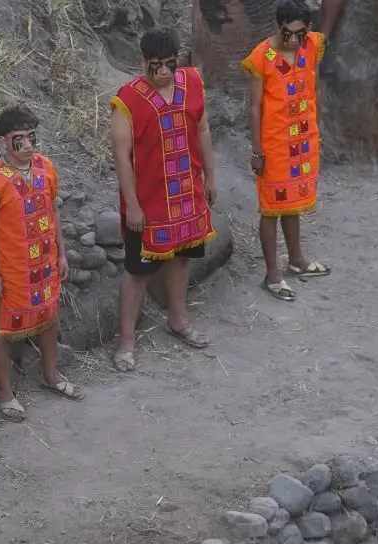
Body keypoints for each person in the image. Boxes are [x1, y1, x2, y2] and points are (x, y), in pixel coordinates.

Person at [110, 28, 218, 372]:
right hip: (149, 201)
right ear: (144, 62)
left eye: (170, 65)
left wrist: (211, 177)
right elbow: (122, 157)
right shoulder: (126, 100)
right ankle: (126, 340)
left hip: (187, 193)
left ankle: (178, 320)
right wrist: (133, 205)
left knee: (182, 260)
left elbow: (202, 129)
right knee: (137, 270)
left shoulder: (193, 83)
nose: (165, 73)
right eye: (156, 66)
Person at [0, 106, 83, 422]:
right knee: (2, 331)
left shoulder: (46, 168)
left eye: (31, 136)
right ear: (3, 142)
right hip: (12, 271)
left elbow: (53, 212)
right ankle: (6, 395)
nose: (28, 144)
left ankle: (52, 376)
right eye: (19, 138)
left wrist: (61, 254)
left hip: (45, 264)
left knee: (49, 319)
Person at [241, 0, 344, 301]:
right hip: (274, 145)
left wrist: (317, 130)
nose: (293, 40)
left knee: (294, 200)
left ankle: (296, 261)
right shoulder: (261, 57)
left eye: (300, 33)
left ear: (308, 30)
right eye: (288, 33)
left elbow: (315, 90)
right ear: (277, 26)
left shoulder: (313, 45)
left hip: (303, 141)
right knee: (271, 208)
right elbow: (254, 108)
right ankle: (272, 275)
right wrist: (257, 150)